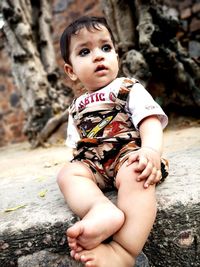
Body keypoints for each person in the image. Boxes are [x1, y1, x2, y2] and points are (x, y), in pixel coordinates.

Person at [57, 16, 168, 267]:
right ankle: (101, 209)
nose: (98, 56)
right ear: (71, 70)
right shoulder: (76, 106)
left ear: (116, 56)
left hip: (127, 154)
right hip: (93, 162)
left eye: (106, 48)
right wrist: (81, 171)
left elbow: (149, 120)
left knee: (136, 174)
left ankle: (123, 251)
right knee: (68, 173)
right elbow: (76, 146)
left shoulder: (127, 87)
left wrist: (150, 150)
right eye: (85, 51)